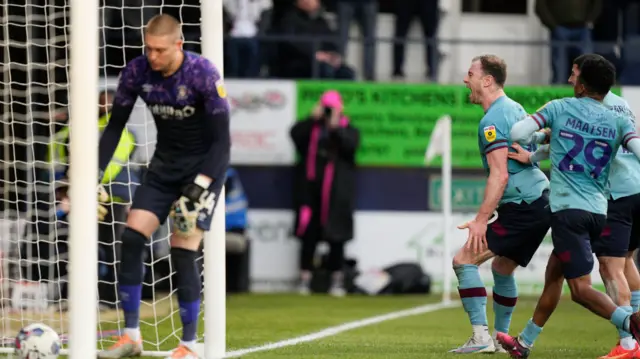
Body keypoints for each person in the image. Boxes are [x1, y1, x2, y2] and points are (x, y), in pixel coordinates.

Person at [96, 13, 230, 359]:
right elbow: (114, 129)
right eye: (148, 49)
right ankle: (131, 337)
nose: (153, 56)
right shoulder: (137, 71)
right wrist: (92, 177)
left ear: (178, 45)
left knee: (183, 249)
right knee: (131, 236)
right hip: (163, 167)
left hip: (201, 172)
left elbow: (222, 143)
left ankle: (189, 344)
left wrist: (199, 189)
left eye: (159, 50)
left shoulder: (203, 74)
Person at [497, 55, 640, 358]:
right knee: (554, 275)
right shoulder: (619, 117)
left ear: (583, 84)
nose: (569, 79)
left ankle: (631, 326)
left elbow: (517, 135)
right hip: (599, 211)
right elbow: (635, 148)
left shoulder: (559, 107)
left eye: (574, 74)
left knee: (580, 290)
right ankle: (524, 343)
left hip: (568, 213)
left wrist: (541, 134)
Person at [449, 54, 552, 354]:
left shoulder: (492, 119)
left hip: (524, 205)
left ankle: (481, 337)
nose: (465, 80)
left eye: (470, 74)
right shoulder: (515, 108)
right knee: (502, 267)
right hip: (539, 201)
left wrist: (481, 219)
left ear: (487, 80)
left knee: (464, 261)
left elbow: (500, 174)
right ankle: (501, 338)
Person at [290, 90, 359, 297]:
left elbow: (350, 147)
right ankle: (304, 279)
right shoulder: (311, 129)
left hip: (336, 195)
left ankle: (336, 280)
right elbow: (295, 135)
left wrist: (335, 126)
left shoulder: (349, 130)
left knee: (336, 237)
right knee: (308, 237)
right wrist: (312, 118)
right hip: (310, 193)